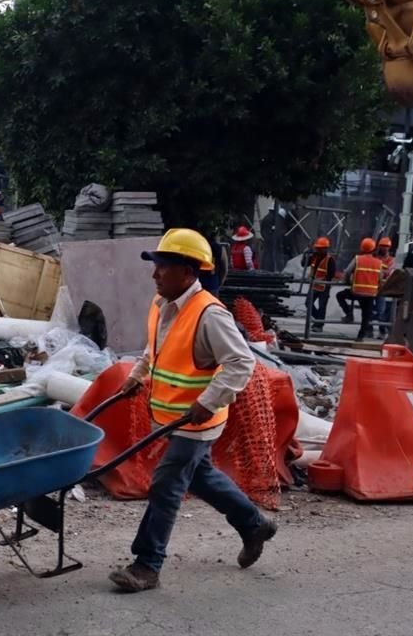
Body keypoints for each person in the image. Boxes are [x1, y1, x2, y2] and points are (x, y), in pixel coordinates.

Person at [108, 228, 275, 593]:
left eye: (163, 267)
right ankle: (253, 524)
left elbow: (240, 363)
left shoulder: (210, 314)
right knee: (200, 476)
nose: (155, 274)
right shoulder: (161, 305)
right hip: (172, 416)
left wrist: (208, 401)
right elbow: (156, 351)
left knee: (166, 485)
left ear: (188, 272)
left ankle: (147, 564)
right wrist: (137, 375)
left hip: (197, 421)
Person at [335, 238, 383, 341]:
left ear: (362, 248)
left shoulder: (358, 259)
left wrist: (347, 282)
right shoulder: (378, 263)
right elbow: (380, 279)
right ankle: (360, 337)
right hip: (371, 294)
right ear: (374, 249)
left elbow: (347, 272)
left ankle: (349, 313)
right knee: (366, 316)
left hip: (356, 292)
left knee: (340, 295)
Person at [305, 236, 336, 333]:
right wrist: (305, 255)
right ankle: (319, 320)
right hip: (314, 286)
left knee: (322, 306)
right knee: (308, 303)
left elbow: (331, 274)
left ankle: (319, 325)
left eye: (319, 248)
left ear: (325, 249)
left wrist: (321, 280)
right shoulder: (314, 257)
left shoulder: (330, 259)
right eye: (317, 248)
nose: (317, 250)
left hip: (324, 287)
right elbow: (304, 264)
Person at [374, 237, 395, 339]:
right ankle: (368, 330)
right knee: (370, 310)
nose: (384, 248)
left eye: (386, 247)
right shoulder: (376, 258)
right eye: (382, 246)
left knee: (381, 311)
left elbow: (389, 273)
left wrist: (380, 272)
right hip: (372, 287)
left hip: (383, 289)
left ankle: (382, 331)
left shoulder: (391, 260)